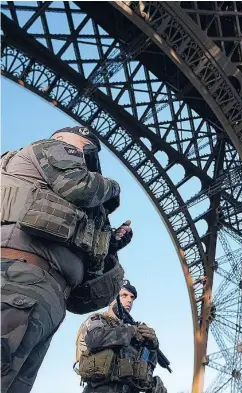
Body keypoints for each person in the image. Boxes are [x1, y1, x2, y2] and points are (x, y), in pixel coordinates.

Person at [1, 126, 131, 393]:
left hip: (44, 296)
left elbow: (89, 289)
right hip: (16, 279)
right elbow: (78, 187)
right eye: (86, 147)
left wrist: (110, 246)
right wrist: (114, 187)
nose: (87, 155)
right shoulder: (53, 148)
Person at [75, 280, 167, 393]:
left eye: (132, 298)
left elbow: (147, 366)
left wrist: (152, 346)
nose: (129, 300)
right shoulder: (98, 320)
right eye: (124, 295)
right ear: (112, 298)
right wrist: (130, 331)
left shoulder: (134, 331)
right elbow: (94, 339)